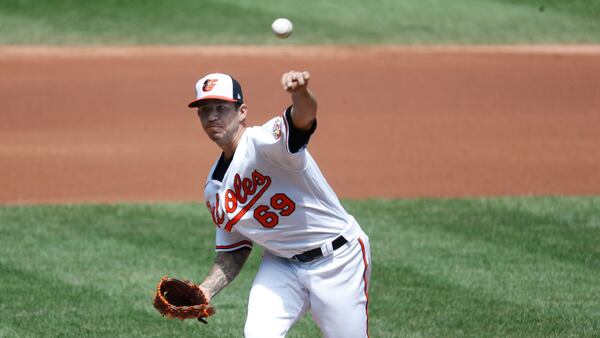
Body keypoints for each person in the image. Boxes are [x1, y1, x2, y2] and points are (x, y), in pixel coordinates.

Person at [189, 71, 371, 338]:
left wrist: (300, 93)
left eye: (221, 108)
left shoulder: (266, 143)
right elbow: (234, 251)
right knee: (258, 333)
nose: (212, 116)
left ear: (242, 112)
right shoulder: (214, 190)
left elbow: (304, 117)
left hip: (338, 258)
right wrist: (205, 290)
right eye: (204, 110)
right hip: (282, 264)